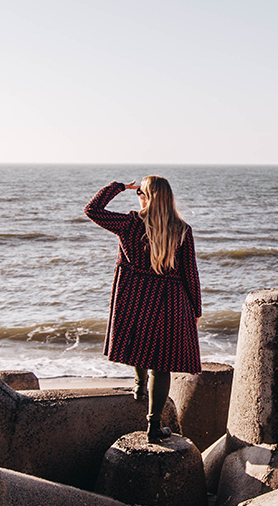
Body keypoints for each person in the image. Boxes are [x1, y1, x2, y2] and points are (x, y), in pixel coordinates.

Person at [85, 176, 202, 442]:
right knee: (162, 364)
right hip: (172, 298)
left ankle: (139, 386)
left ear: (145, 196)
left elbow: (92, 209)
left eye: (140, 192)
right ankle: (154, 425)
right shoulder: (182, 229)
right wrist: (195, 309)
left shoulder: (129, 223)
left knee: (139, 344)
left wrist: (119, 187)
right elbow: (190, 274)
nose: (137, 196)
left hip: (137, 295)